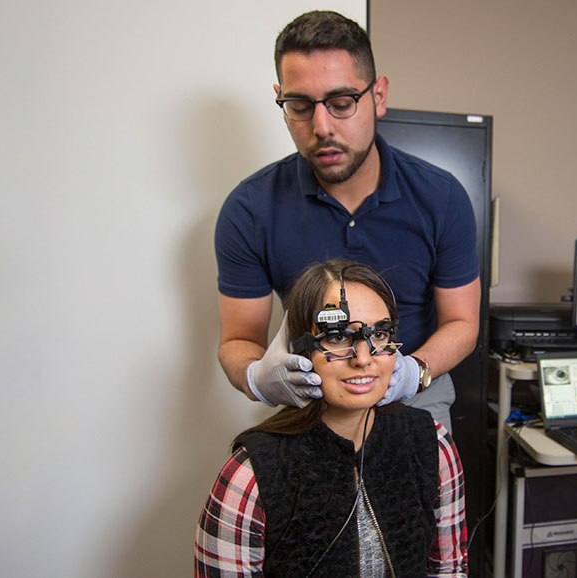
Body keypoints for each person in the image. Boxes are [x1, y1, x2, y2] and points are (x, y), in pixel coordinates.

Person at [215, 10, 480, 431]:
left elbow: (462, 323)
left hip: (417, 400)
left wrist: (414, 371)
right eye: (299, 106)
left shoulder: (441, 197)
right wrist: (256, 377)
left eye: (341, 104)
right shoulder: (249, 208)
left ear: (378, 95)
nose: (321, 127)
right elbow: (238, 340)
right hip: (314, 404)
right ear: (281, 99)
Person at [195, 259, 468, 577]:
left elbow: (449, 568)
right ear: (298, 351)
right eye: (337, 338)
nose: (364, 359)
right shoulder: (248, 478)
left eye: (379, 334)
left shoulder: (433, 446)